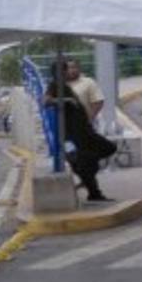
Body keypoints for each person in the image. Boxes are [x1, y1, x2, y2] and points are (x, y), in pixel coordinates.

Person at [46, 64, 116, 202]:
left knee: (108, 148)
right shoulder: (55, 85)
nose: (68, 72)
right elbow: (46, 101)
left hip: (85, 130)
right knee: (84, 163)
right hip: (73, 134)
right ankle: (94, 193)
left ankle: (86, 169)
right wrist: (67, 100)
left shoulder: (64, 85)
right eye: (66, 69)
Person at [66, 59, 104, 124]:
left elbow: (98, 102)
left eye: (73, 67)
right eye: (67, 68)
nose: (70, 70)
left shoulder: (88, 82)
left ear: (79, 68)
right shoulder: (59, 84)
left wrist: (90, 118)